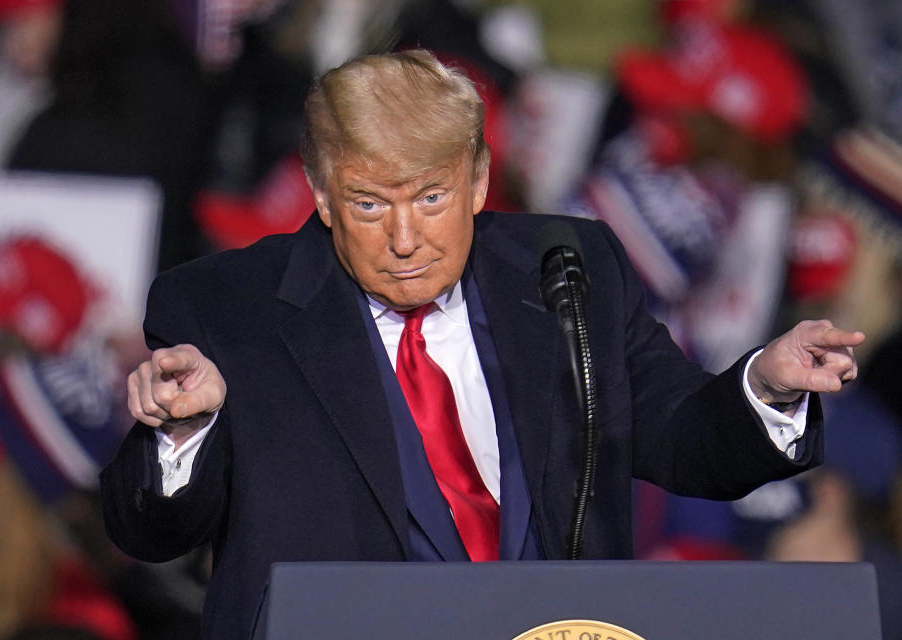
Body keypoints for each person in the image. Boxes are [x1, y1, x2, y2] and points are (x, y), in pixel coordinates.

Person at [99, 50, 863, 640]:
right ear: (322, 192)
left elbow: (683, 434)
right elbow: (149, 531)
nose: (404, 240)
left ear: (478, 179)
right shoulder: (225, 309)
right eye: (369, 203)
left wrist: (766, 383)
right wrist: (182, 429)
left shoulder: (571, 267)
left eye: (431, 197)